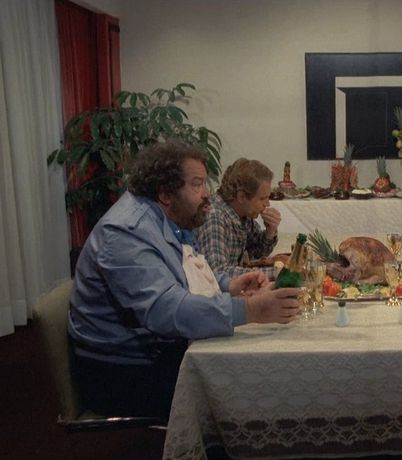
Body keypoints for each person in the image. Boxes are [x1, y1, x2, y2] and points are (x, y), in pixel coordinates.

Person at [68, 141, 301, 419]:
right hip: (120, 372)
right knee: (252, 385)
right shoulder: (126, 233)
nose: (207, 194)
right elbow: (165, 311)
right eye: (197, 184)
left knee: (258, 365)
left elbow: (183, 273)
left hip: (152, 351)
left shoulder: (167, 220)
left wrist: (228, 285)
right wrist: (250, 310)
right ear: (166, 193)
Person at [195, 158, 282, 279]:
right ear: (241, 196)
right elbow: (217, 273)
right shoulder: (215, 216)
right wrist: (278, 273)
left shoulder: (243, 214)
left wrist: (270, 231)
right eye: (262, 198)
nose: (267, 204)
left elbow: (257, 253)